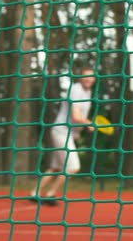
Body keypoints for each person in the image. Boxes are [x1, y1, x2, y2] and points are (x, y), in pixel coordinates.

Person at [29, 66, 96, 206]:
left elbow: (77, 117)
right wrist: (90, 123)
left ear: (94, 79)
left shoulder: (88, 92)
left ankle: (34, 193)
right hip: (61, 131)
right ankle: (50, 194)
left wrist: (77, 133)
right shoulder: (77, 90)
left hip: (67, 133)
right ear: (81, 78)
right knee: (72, 167)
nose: (88, 79)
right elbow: (76, 116)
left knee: (56, 168)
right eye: (85, 76)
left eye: (90, 76)